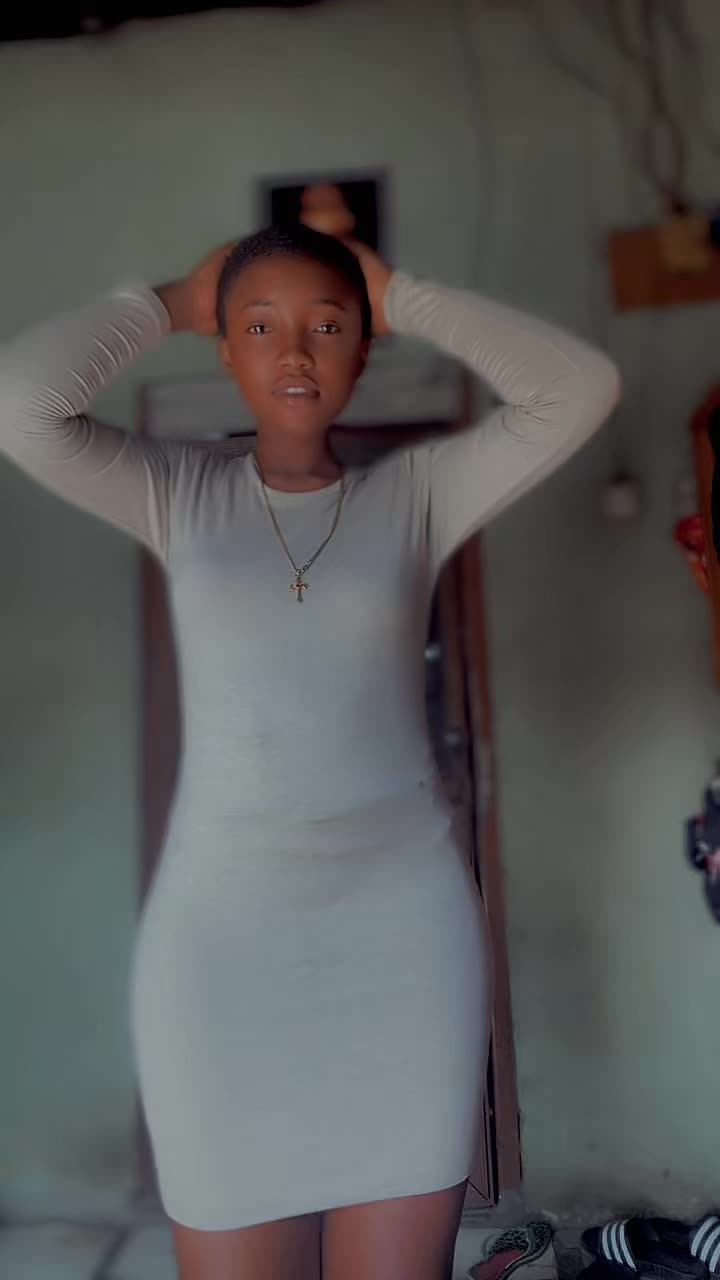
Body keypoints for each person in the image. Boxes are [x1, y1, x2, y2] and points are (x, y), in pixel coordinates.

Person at [0, 225, 620, 1280]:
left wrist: (403, 294)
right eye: (260, 327)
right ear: (224, 349)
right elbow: (23, 402)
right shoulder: (177, 491)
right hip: (220, 951)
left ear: (363, 350)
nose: (294, 352)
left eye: (328, 327)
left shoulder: (416, 495)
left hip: (401, 942)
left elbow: (580, 388)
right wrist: (168, 299)